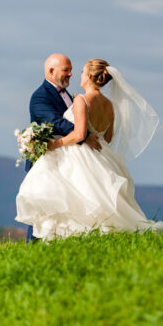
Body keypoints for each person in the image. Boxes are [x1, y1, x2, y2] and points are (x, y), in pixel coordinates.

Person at [15, 59, 163, 241]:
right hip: (101, 155)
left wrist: (55, 144)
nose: (73, 74)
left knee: (73, 202)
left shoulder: (80, 99)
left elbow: (78, 133)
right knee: (93, 199)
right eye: (68, 70)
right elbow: (107, 138)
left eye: (78, 71)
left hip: (76, 156)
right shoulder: (109, 105)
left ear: (88, 76)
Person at [24, 53, 102, 243]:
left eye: (71, 70)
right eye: (66, 70)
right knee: (42, 209)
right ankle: (32, 246)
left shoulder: (68, 94)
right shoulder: (40, 97)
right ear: (51, 71)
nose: (71, 74)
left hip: (66, 159)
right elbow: (56, 122)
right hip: (48, 161)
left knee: (64, 205)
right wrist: (83, 134)